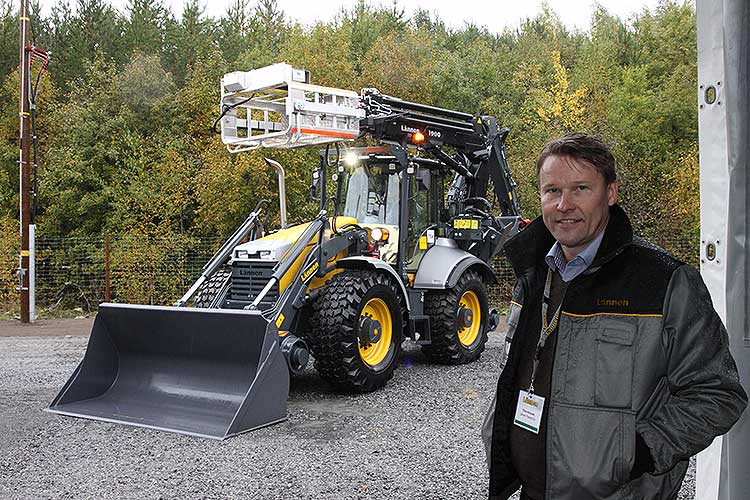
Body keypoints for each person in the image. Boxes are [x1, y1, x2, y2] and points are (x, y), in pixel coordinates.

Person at [482, 132, 747, 500]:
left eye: (580, 189)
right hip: (531, 491)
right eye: (552, 191)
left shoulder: (664, 282)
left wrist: (639, 451)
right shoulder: (533, 274)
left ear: (610, 193)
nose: (564, 204)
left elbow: (719, 393)